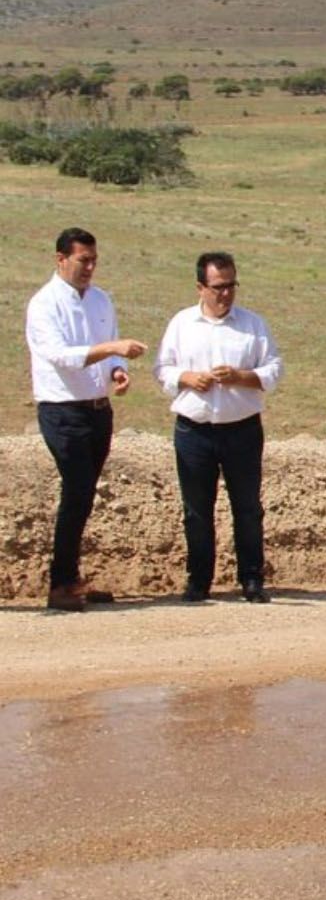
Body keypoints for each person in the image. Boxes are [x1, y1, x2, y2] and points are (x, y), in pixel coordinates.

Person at [24, 227, 148, 612]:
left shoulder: (100, 300)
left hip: (97, 409)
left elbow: (108, 346)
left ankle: (70, 576)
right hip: (62, 410)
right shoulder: (44, 304)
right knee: (76, 490)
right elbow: (61, 355)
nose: (90, 267)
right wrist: (112, 348)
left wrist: (116, 369)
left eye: (94, 260)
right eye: (83, 260)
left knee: (83, 493)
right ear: (61, 259)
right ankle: (60, 583)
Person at [152, 252, 284, 603]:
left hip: (241, 429)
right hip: (194, 430)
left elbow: (273, 369)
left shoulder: (253, 325)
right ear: (200, 287)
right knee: (196, 510)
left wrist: (242, 377)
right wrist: (186, 377)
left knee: (247, 508)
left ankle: (252, 580)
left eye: (231, 286)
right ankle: (199, 581)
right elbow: (162, 368)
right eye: (218, 287)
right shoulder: (181, 324)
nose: (225, 294)